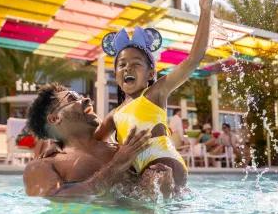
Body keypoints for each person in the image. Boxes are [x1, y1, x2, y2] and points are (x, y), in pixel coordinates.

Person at [94, 0, 215, 185]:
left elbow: (193, 59)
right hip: (144, 175)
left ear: (151, 74)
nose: (127, 68)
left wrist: (205, 11)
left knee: (150, 184)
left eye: (136, 64)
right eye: (121, 65)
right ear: (116, 75)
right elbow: (94, 142)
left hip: (168, 164)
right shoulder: (114, 116)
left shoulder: (154, 93)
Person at [23, 83, 175, 199]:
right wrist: (115, 166)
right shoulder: (41, 166)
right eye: (73, 98)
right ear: (55, 118)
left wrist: (160, 183)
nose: (87, 99)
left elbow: (148, 199)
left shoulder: (125, 149)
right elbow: (56, 200)